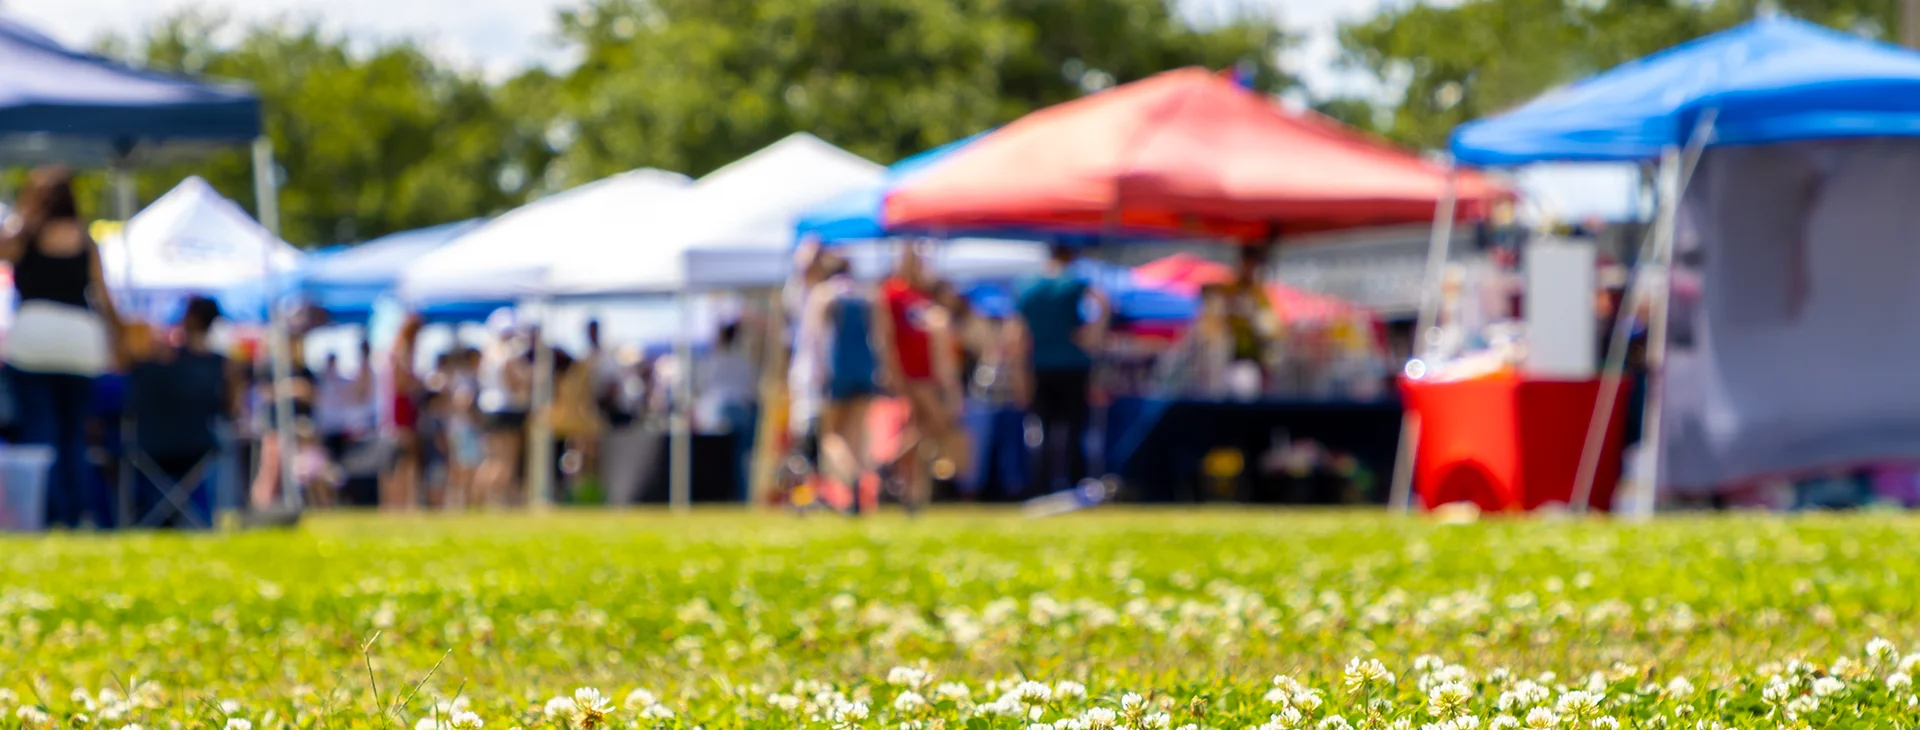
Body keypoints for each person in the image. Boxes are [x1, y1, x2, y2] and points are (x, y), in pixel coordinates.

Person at [2, 167, 125, 528]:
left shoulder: (22, 235)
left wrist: (24, 212)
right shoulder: (86, 241)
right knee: (74, 435)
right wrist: (120, 342)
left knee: (41, 432)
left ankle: (46, 513)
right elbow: (103, 297)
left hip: (32, 342)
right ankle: (76, 514)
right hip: (79, 344)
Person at [874, 243, 967, 511]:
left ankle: (914, 494)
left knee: (922, 430)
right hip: (910, 372)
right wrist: (891, 371)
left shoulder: (920, 296)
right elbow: (886, 336)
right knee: (939, 422)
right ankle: (889, 464)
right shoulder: (892, 294)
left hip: (929, 372)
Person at [126, 296, 235, 527]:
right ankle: (199, 520)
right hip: (200, 447)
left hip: (148, 447)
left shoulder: (158, 362)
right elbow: (231, 410)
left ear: (191, 318)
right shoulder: (223, 366)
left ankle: (152, 519)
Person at [1011, 244, 1109, 495]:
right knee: (1075, 430)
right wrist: (1093, 334)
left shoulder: (1028, 288)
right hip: (1074, 366)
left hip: (1040, 366)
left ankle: (1041, 487)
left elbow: (1018, 335)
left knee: (1041, 431)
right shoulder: (1074, 283)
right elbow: (1104, 304)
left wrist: (1019, 376)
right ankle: (1077, 486)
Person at [799, 252, 882, 512]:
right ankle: (859, 494)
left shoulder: (824, 295)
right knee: (856, 435)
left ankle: (853, 480)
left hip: (836, 371)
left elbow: (815, 340)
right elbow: (879, 338)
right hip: (865, 369)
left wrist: (815, 377)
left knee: (830, 436)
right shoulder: (867, 296)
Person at [474, 310, 531, 507]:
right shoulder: (507, 355)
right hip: (506, 410)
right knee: (505, 461)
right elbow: (514, 385)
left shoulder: (487, 355)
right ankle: (489, 500)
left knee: (492, 458)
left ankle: (484, 501)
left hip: (490, 410)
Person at [698, 321, 759, 500]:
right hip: (742, 410)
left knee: (721, 457)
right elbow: (752, 389)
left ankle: (725, 495)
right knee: (741, 459)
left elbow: (705, 388)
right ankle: (742, 496)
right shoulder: (743, 361)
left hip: (722, 411)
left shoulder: (714, 360)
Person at [379, 315, 425, 511]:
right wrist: (418, 384)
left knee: (405, 458)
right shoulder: (400, 352)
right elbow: (399, 384)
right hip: (400, 408)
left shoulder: (399, 351)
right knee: (400, 458)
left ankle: (404, 502)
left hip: (404, 407)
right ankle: (396, 503)